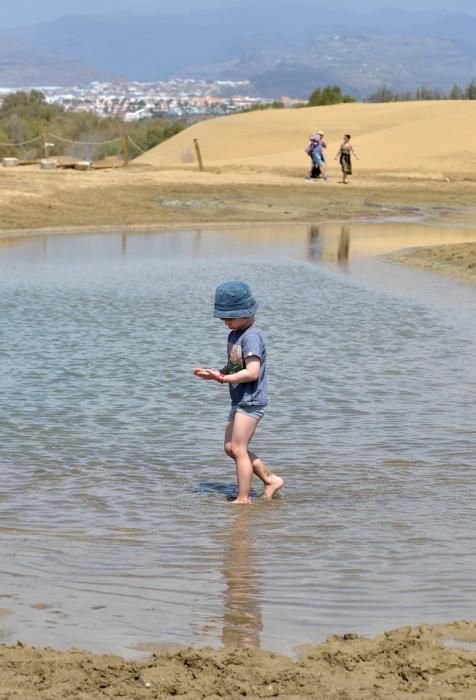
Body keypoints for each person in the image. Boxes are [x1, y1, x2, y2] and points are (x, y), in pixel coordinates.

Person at [193, 280, 284, 504]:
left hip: (251, 401)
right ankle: (270, 479)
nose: (226, 323)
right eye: (224, 319)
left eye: (229, 319)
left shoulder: (252, 336)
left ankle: (243, 498)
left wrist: (223, 379)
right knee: (230, 448)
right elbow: (236, 366)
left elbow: (252, 372)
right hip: (239, 399)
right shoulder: (235, 335)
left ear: (245, 313)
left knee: (239, 448)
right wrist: (216, 373)